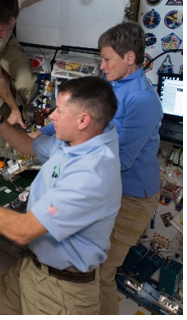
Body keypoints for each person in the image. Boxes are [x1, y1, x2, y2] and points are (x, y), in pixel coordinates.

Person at [0, 76, 121, 315]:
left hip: (62, 293)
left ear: (83, 120)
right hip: (32, 267)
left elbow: (22, 231)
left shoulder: (92, 173)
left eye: (58, 110)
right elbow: (28, 146)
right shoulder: (78, 140)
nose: (51, 116)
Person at [34, 22, 162, 314]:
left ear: (129, 58)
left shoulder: (143, 99)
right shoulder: (110, 85)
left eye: (107, 59)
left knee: (100, 272)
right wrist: (44, 133)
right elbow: (81, 114)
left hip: (131, 198)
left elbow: (122, 158)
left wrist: (67, 164)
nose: (102, 66)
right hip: (106, 190)